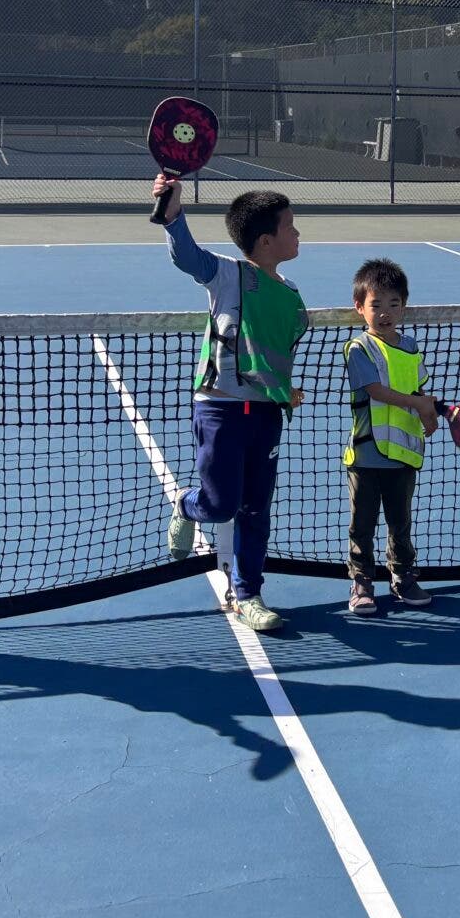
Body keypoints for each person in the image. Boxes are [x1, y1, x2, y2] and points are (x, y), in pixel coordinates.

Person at [158, 178, 307, 635]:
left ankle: (248, 595)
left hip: (265, 413)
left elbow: (272, 355)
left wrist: (284, 391)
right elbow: (187, 257)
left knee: (256, 508)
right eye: (290, 226)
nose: (297, 233)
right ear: (265, 241)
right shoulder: (229, 275)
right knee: (221, 503)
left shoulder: (290, 293)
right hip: (220, 410)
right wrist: (172, 214)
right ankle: (187, 505)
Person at [343, 258, 436, 615]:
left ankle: (403, 577)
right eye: (376, 305)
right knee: (362, 525)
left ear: (404, 306)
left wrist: (428, 411)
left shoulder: (411, 348)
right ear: (360, 307)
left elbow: (418, 390)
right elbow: (376, 391)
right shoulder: (359, 348)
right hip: (367, 454)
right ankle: (361, 581)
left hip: (404, 453)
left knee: (401, 523)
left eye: (393, 304)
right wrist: (419, 403)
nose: (385, 313)